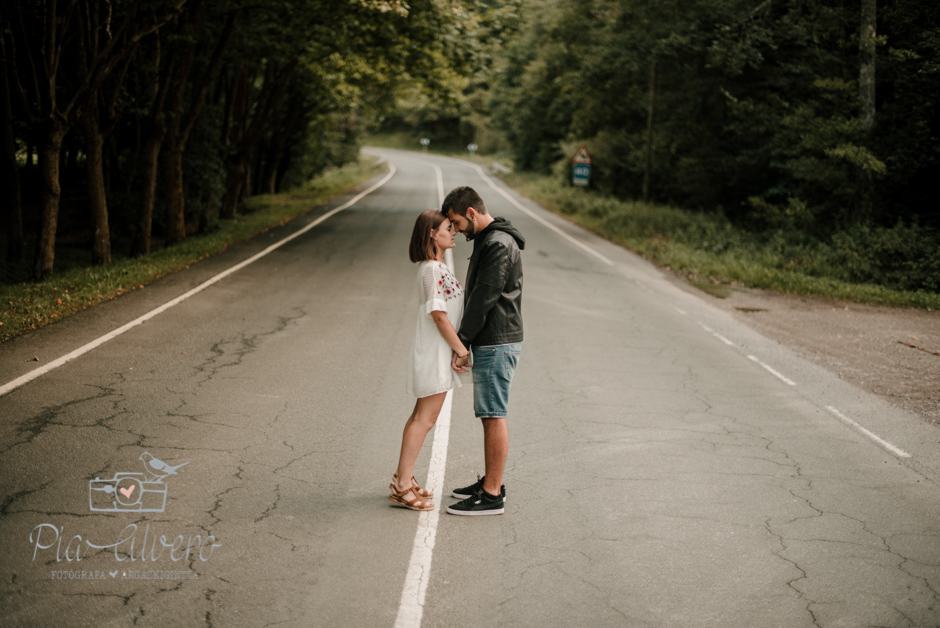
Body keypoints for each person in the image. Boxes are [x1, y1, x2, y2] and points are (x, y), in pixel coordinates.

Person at [443, 186, 525, 516]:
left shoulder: (497, 243)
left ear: (472, 213)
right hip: (494, 338)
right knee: (489, 414)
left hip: (497, 339)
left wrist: (461, 342)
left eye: (456, 222)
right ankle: (491, 483)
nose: (456, 230)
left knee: (493, 415)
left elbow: (484, 297)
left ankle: (492, 495)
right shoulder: (489, 238)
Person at [390, 209, 469, 511]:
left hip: (436, 350)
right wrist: (461, 350)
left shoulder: (437, 267)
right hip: (435, 352)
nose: (454, 231)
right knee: (424, 419)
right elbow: (438, 315)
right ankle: (401, 486)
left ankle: (403, 478)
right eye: (449, 227)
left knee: (420, 417)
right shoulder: (432, 270)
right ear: (433, 234)